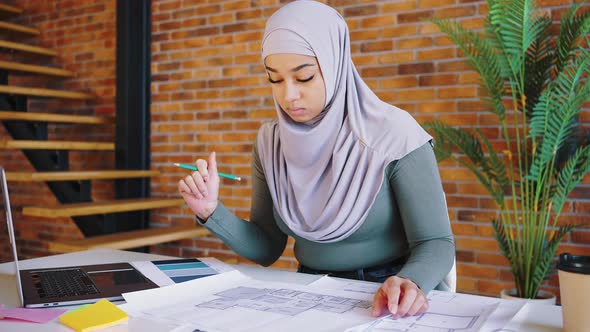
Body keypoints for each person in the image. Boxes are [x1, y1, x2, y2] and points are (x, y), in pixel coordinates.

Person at [178, 0, 454, 319]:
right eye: (275, 79)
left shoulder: (393, 135)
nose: (288, 95)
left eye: (304, 77)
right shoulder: (271, 142)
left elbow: (435, 241)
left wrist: (410, 282)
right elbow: (267, 247)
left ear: (335, 63)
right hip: (307, 293)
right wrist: (211, 211)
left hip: (383, 295)